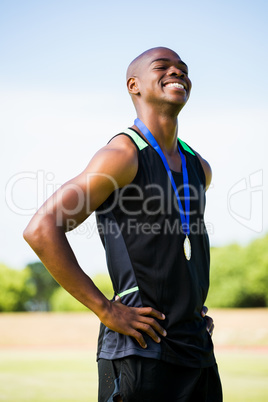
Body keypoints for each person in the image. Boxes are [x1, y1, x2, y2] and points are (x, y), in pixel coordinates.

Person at [24, 47, 223, 401]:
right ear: (134, 85)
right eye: (163, 67)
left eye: (183, 69)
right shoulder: (122, 155)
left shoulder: (199, 167)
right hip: (140, 350)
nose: (177, 73)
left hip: (197, 350)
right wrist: (105, 308)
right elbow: (41, 228)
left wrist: (190, 307)